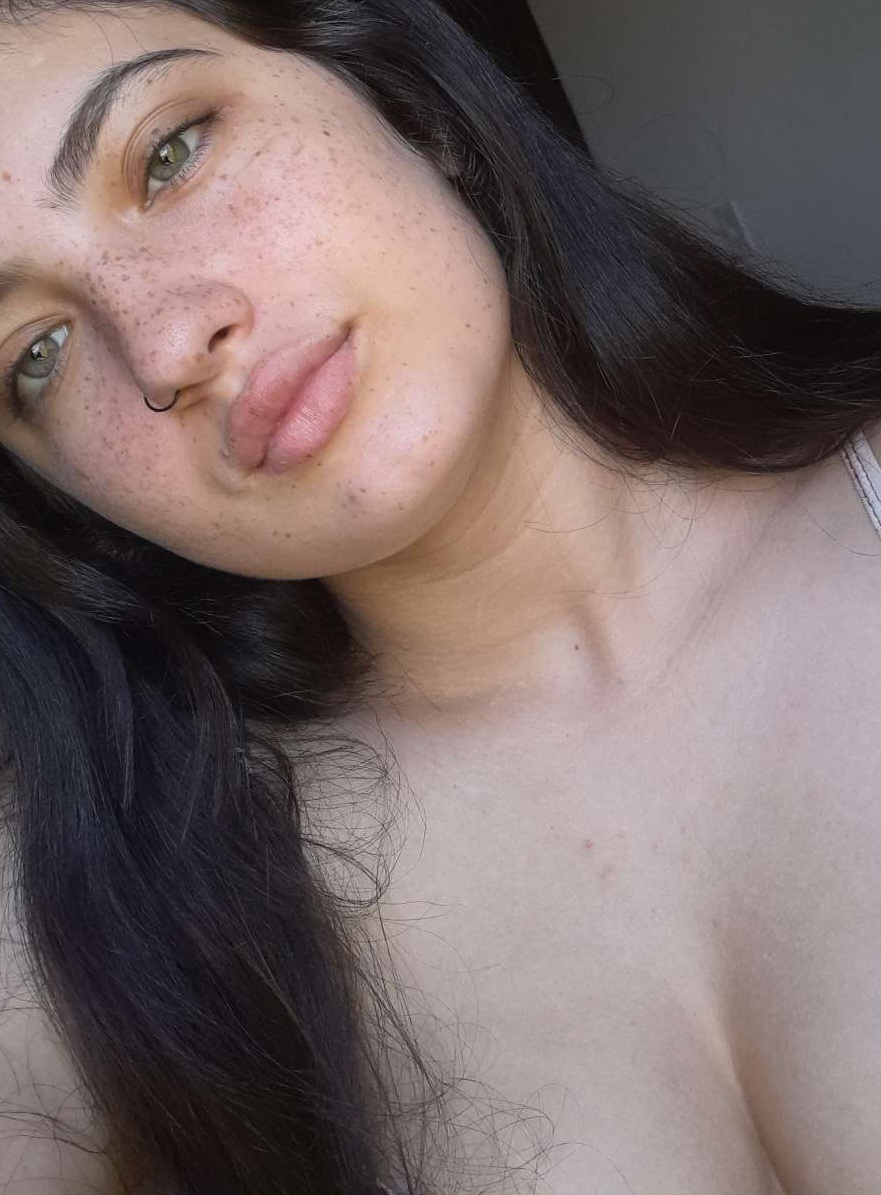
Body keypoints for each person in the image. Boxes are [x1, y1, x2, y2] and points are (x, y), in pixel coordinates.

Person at [0, 1, 878, 1192]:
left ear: (407, 103)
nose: (163, 345)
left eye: (169, 153)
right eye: (35, 355)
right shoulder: (107, 938)